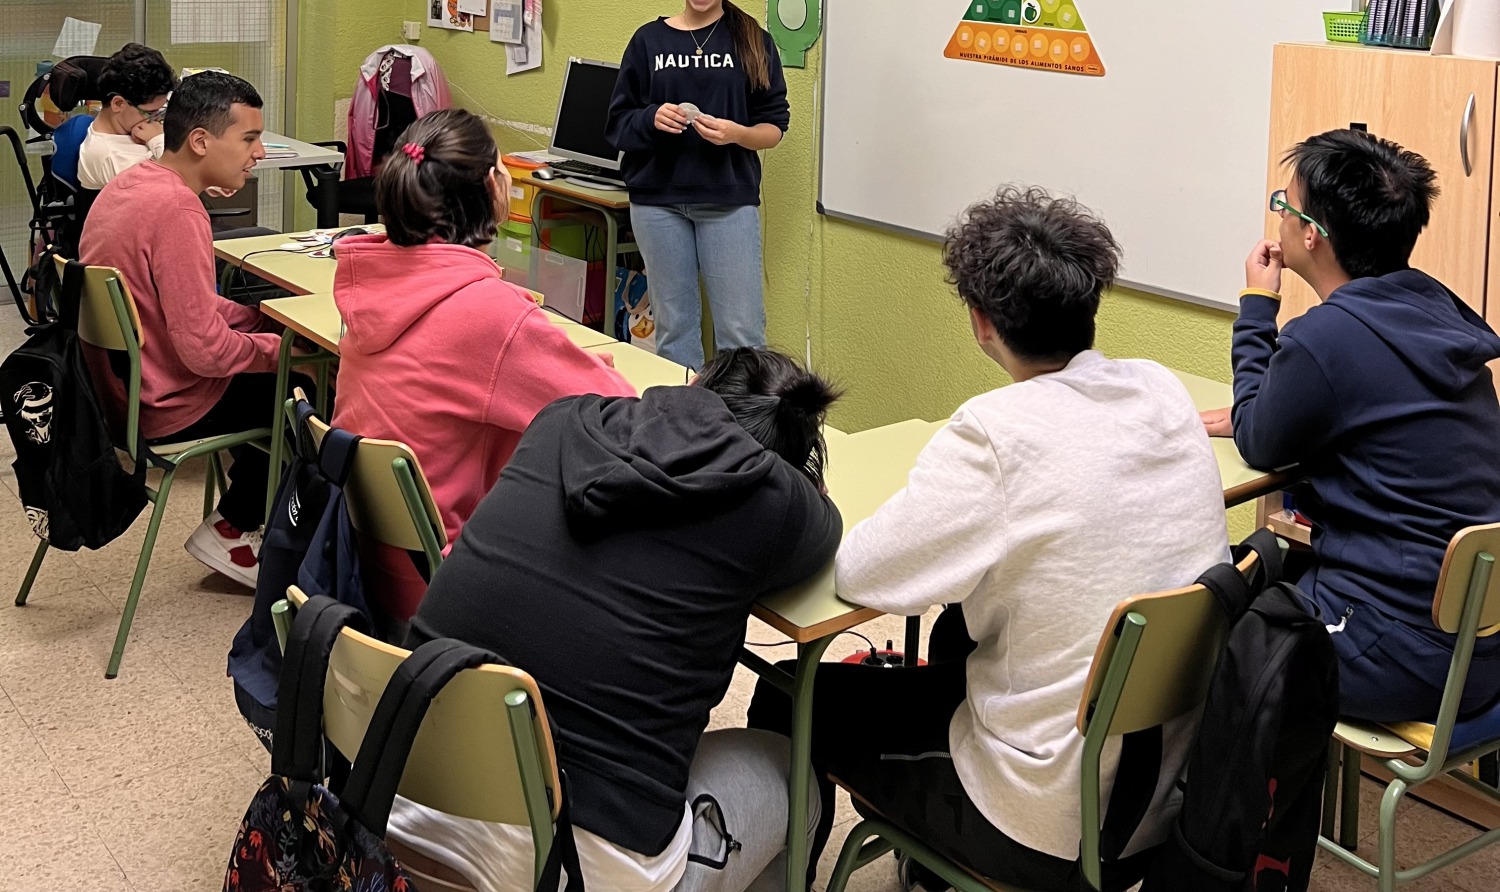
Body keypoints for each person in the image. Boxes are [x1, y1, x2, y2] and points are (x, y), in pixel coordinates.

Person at [752, 187, 1229, 890]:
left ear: (980, 322)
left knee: (790, 695)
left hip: (1041, 826)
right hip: (1166, 802)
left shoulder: (993, 434)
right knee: (959, 635)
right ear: (1091, 301)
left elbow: (862, 574)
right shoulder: (1162, 392)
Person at [385, 347, 842, 892]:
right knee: (799, 780)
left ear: (696, 387)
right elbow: (826, 526)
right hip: (575, 861)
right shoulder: (776, 499)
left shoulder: (563, 420)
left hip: (406, 799)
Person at [1203, 128, 1500, 722]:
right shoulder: (1434, 307)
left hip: (1401, 653)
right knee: (1257, 570)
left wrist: (1258, 303)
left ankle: (1211, 811)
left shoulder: (1329, 338)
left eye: (1285, 205)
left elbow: (1260, 440)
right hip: (1481, 648)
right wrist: (1256, 411)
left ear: (1310, 234)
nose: (1279, 217)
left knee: (1202, 636)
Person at [330, 108, 637, 623]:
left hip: (366, 567)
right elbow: (625, 415)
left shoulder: (368, 280)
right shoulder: (487, 313)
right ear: (495, 185)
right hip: (452, 588)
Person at [79, 70, 284, 587]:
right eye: (249, 138)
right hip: (166, 405)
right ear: (200, 141)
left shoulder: (131, 185)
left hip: (119, 397)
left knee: (261, 347)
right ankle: (235, 525)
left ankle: (245, 511)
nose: (258, 153)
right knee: (306, 390)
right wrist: (282, 349)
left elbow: (182, 305)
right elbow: (204, 353)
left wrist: (256, 320)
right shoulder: (178, 209)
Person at [606, 0, 789, 371]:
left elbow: (775, 126)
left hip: (727, 201)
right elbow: (616, 125)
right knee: (675, 332)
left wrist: (736, 134)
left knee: (741, 337)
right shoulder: (648, 41)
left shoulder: (751, 39)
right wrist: (650, 119)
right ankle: (683, 431)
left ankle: (743, 434)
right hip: (657, 203)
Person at [76, 42, 176, 190]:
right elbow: (177, 187)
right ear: (118, 104)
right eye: (150, 113)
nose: (155, 119)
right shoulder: (111, 157)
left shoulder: (124, 125)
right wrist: (158, 139)